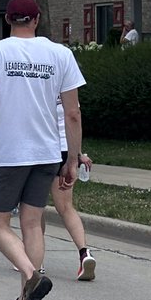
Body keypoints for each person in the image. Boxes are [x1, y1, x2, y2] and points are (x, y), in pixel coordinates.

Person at [0, 0, 84, 300]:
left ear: (7, 19)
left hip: (8, 152)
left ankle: (31, 275)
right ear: (36, 20)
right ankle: (24, 299)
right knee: (33, 224)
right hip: (47, 151)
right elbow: (73, 113)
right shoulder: (61, 54)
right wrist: (73, 159)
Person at [45, 90, 97, 281]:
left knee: (34, 207)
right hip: (66, 150)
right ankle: (84, 253)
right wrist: (78, 154)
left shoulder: (37, 80)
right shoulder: (68, 87)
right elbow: (73, 118)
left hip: (42, 148)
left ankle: (35, 260)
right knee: (66, 207)